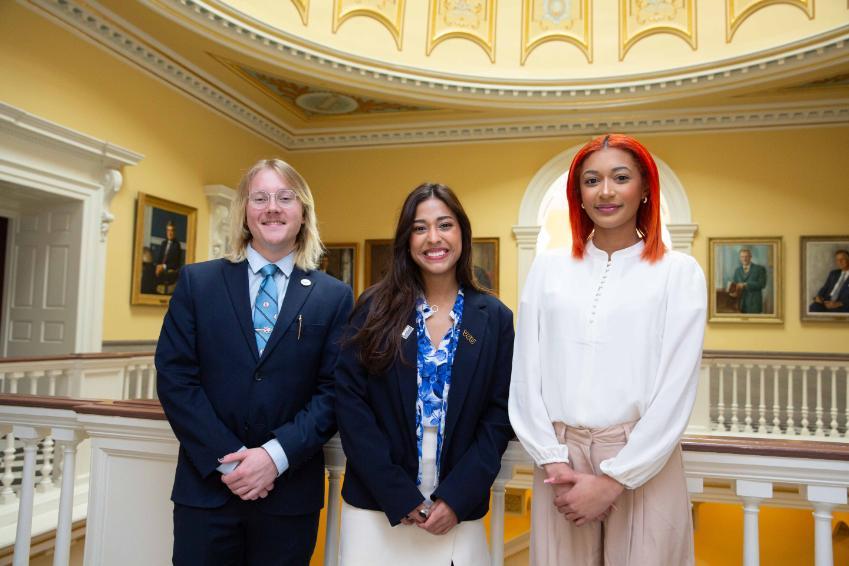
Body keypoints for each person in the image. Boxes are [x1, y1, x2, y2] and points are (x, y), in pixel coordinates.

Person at [509, 134, 706, 566]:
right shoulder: (548, 269)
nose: (606, 192)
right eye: (591, 180)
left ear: (645, 188)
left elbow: (676, 388)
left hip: (643, 457)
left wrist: (616, 478)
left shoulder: (678, 274)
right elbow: (525, 374)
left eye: (621, 177)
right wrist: (551, 459)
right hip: (559, 461)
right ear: (577, 195)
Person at [155, 159, 354, 566]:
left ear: (303, 213)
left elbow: (334, 391)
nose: (272, 208)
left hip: (289, 494)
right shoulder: (198, 282)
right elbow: (176, 378)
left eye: (285, 198)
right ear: (245, 212)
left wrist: (274, 456)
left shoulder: (333, 296)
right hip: (207, 489)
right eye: (259, 198)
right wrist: (231, 461)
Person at [334, 183, 514, 566]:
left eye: (445, 224)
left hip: (456, 500)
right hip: (377, 503)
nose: (434, 238)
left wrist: (457, 496)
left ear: (462, 233)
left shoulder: (493, 318)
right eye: (420, 228)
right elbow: (351, 403)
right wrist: (397, 493)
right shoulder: (374, 307)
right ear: (406, 239)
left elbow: (499, 416)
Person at [727, 248, 767, 314]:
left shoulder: (759, 269)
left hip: (754, 305)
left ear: (750, 257)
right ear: (740, 258)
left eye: (746, 256)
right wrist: (733, 292)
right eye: (742, 257)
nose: (744, 259)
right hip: (741, 304)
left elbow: (762, 284)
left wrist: (746, 284)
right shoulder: (737, 270)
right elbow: (736, 285)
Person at [809, 249, 849, 313]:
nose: (840, 262)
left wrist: (839, 303)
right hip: (826, 303)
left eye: (842, 259)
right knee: (813, 307)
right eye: (837, 260)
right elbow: (825, 287)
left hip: (843, 306)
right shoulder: (833, 273)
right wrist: (819, 296)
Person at [155, 221, 183, 291]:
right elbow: (159, 258)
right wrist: (158, 266)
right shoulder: (163, 243)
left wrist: (163, 266)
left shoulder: (177, 245)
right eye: (168, 230)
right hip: (161, 269)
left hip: (171, 271)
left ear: (174, 232)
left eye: (172, 230)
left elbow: (175, 264)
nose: (170, 233)